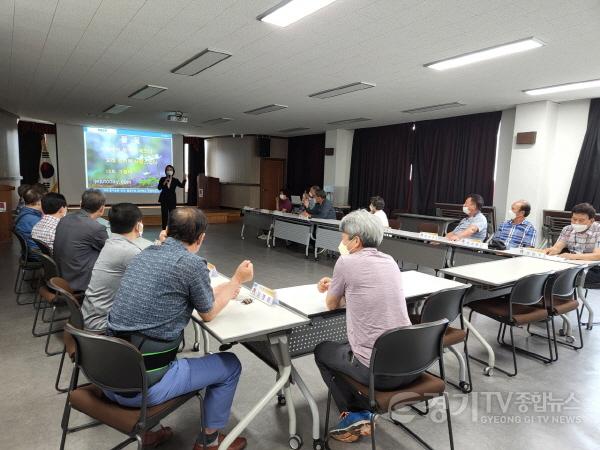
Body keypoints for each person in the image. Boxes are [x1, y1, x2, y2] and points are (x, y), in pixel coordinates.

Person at [106, 207, 253, 450]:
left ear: (167, 230)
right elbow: (208, 313)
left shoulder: (143, 255)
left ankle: (151, 433)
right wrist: (237, 280)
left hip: (109, 376)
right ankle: (209, 442)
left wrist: (226, 288)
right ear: (201, 237)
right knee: (229, 365)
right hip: (142, 387)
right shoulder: (191, 264)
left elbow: (194, 297)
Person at [314, 210, 413, 443]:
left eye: (343, 237)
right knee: (347, 349)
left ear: (356, 240)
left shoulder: (346, 262)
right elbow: (367, 293)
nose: (341, 241)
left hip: (379, 373)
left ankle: (352, 414)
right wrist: (343, 287)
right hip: (411, 364)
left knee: (323, 351)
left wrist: (333, 289)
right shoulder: (389, 261)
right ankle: (361, 409)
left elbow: (331, 304)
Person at [81, 203, 144, 332]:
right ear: (138, 225)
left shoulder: (111, 242)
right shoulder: (129, 251)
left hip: (90, 314)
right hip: (103, 323)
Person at [53, 189, 108, 292]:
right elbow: (109, 251)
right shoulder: (96, 228)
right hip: (79, 280)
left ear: (81, 204)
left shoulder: (65, 219)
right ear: (102, 208)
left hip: (61, 275)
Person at [545, 202, 600, 285]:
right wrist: (551, 251)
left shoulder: (598, 230)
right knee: (548, 273)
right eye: (574, 219)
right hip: (573, 265)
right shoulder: (567, 229)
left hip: (594, 268)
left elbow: (597, 256)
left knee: (563, 277)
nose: (576, 223)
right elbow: (557, 248)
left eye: (581, 220)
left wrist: (572, 256)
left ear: (591, 221)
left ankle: (562, 297)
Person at [14, 186, 44, 258]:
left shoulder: (23, 213)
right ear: (38, 202)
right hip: (37, 254)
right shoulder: (34, 219)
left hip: (28, 252)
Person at [158, 164, 186, 230]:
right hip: (164, 199)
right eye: (168, 169)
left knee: (172, 215)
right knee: (164, 215)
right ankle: (164, 229)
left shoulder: (175, 180)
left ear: (173, 171)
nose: (169, 171)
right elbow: (159, 188)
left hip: (172, 199)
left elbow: (182, 186)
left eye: (170, 169)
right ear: (165, 171)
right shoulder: (162, 179)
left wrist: (185, 180)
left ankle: (172, 229)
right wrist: (164, 182)